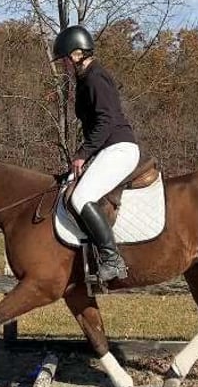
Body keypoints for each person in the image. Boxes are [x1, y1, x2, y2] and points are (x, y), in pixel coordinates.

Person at [52, 24, 140, 282]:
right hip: (106, 148)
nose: (64, 65)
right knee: (69, 187)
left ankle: (112, 260)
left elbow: (106, 121)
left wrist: (83, 153)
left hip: (119, 148)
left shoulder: (95, 77)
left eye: (65, 60)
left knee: (81, 197)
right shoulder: (86, 79)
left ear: (77, 54)